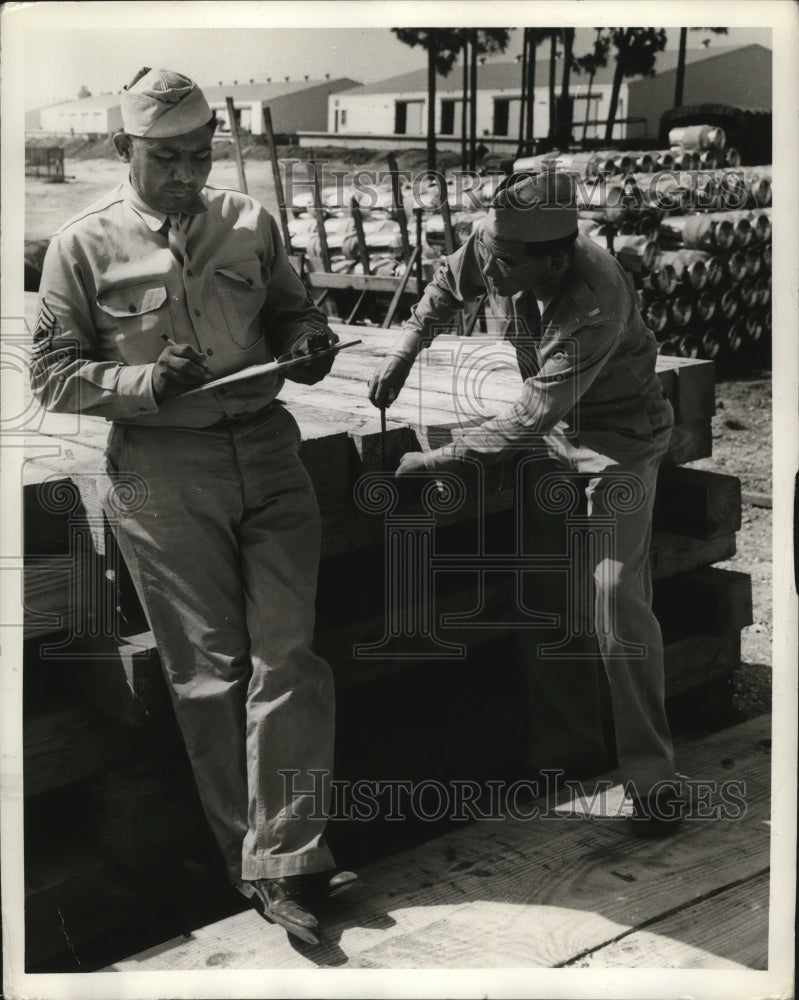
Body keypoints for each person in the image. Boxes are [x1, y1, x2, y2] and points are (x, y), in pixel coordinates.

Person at [29, 67, 356, 944]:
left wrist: (308, 342)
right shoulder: (80, 247)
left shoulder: (250, 222)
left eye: (198, 155)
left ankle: (289, 856)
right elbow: (49, 376)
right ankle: (253, 863)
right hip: (160, 471)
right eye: (165, 158)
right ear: (124, 149)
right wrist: (141, 380)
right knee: (209, 675)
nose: (185, 174)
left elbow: (294, 313)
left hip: (268, 451)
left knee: (289, 656)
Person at [369, 170, 683, 834]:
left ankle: (652, 782)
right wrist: (402, 354)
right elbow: (447, 284)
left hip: (619, 440)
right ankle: (568, 755)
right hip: (555, 435)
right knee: (544, 591)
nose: (495, 270)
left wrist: (438, 458)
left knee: (613, 596)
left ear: (556, 258)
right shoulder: (499, 243)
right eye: (494, 255)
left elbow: (529, 415)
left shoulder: (594, 300)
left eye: (511, 265)